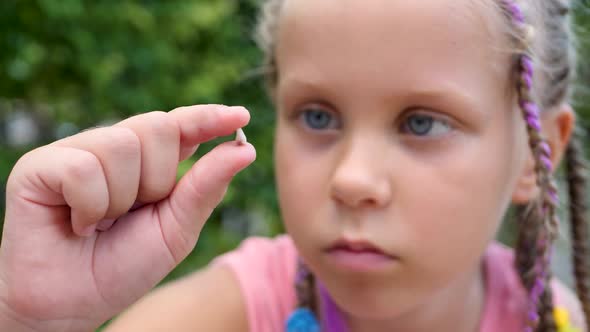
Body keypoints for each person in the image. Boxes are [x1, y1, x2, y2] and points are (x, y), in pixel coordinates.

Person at [1, 0, 589, 331]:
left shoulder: (552, 319)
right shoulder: (236, 313)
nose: (351, 178)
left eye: (421, 123)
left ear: (537, 158)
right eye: (317, 117)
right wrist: (33, 320)